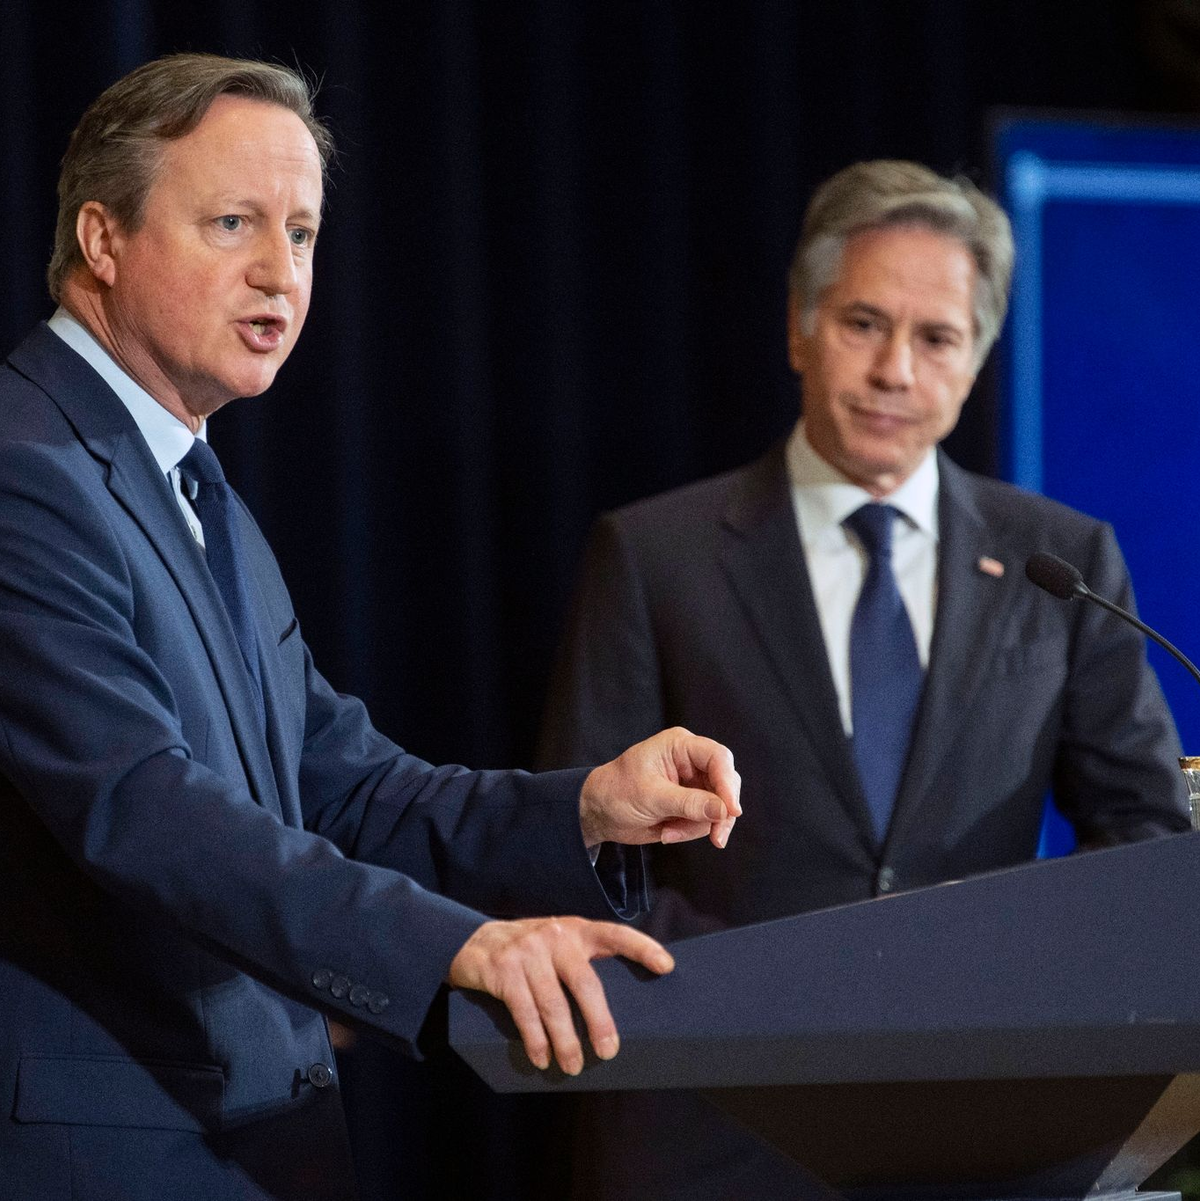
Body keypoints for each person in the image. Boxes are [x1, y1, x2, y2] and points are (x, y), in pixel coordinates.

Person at [0, 55, 742, 1201]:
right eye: (233, 223)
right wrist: (452, 944)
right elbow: (140, 805)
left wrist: (584, 806)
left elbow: (343, 786)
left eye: (299, 234)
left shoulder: (195, 492)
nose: (277, 275)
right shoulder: (27, 470)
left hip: (248, 1150)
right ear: (103, 239)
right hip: (110, 1156)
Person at [538, 159, 1191, 1199]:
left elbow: (1145, 840)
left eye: (936, 338)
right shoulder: (655, 555)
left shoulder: (1062, 563)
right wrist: (778, 997)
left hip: (992, 1134)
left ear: (975, 362)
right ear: (800, 329)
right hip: (721, 1125)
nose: (896, 368)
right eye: (863, 324)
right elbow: (581, 857)